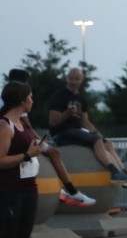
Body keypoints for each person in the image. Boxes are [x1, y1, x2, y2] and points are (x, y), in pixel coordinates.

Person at [7, 69, 95, 206]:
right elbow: (26, 125)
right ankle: (70, 190)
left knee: (45, 155)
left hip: (14, 135)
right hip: (17, 137)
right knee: (52, 153)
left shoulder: (8, 97)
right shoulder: (18, 99)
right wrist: (38, 138)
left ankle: (61, 188)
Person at [48, 68, 127, 187]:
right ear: (66, 79)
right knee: (96, 140)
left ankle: (124, 173)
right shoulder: (59, 96)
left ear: (81, 81)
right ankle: (114, 173)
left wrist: (99, 135)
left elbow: (86, 122)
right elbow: (53, 122)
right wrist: (67, 113)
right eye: (71, 79)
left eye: (76, 79)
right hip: (62, 133)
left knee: (107, 144)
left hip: (76, 131)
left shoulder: (81, 98)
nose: (73, 82)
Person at [0, 81, 46, 238]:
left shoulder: (23, 122)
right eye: (30, 97)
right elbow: (0, 160)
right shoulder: (5, 125)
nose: (32, 100)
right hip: (10, 190)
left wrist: (35, 149)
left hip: (29, 188)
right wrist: (27, 155)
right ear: (21, 100)